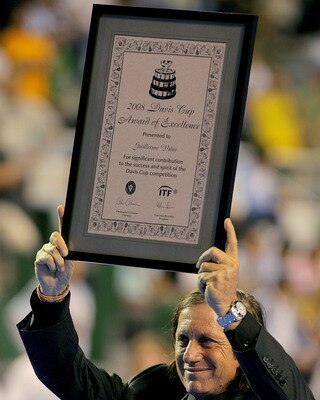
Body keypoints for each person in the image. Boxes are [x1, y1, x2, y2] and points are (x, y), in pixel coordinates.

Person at [17, 205, 315, 399]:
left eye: (208, 341)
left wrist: (229, 310)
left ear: (240, 352)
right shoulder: (159, 389)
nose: (190, 354)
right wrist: (52, 296)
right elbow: (71, 379)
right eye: (183, 339)